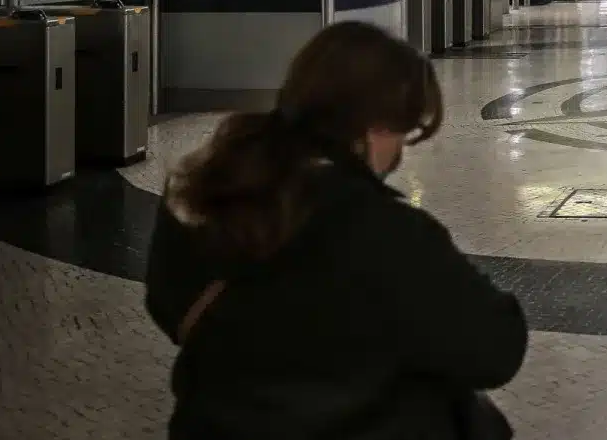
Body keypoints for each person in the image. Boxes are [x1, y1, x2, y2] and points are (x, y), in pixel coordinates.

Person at [145, 22, 527, 438]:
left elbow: (168, 307)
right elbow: (495, 349)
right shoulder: (388, 234)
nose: (400, 151)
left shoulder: (198, 191)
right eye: (404, 130)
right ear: (375, 127)